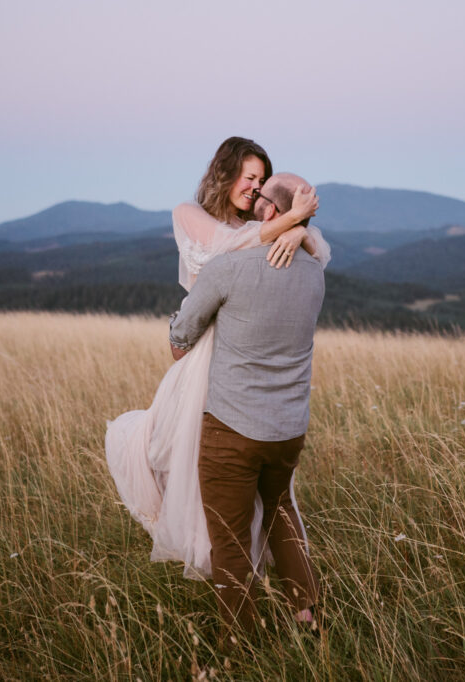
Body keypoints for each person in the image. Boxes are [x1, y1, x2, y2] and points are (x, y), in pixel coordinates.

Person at [105, 138, 330, 580]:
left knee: (243, 471)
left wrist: (300, 231)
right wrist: (293, 219)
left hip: (243, 354)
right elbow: (227, 246)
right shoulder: (190, 215)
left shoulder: (270, 221)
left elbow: (318, 256)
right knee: (182, 457)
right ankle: (211, 556)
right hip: (205, 351)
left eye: (262, 180)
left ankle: (245, 574)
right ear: (225, 174)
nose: (255, 186)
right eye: (249, 177)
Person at [168, 171, 326, 641]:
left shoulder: (226, 269)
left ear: (269, 211)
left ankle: (239, 647)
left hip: (232, 432)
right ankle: (307, 618)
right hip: (288, 431)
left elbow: (180, 341)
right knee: (281, 512)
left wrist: (177, 322)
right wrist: (301, 231)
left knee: (231, 542)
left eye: (260, 194)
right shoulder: (315, 273)